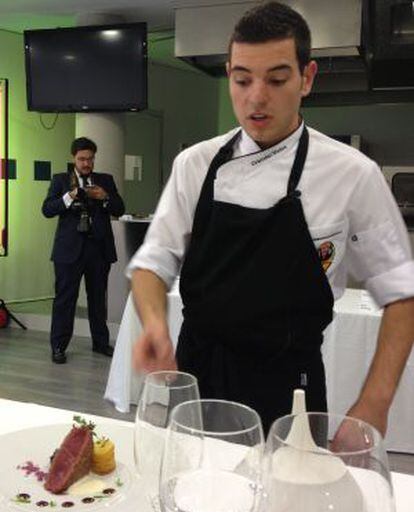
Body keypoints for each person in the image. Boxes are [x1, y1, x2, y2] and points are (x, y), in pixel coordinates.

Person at [128, 2, 414, 434]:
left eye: (277, 79)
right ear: (229, 76)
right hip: (198, 379)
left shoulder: (353, 174)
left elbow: (402, 294)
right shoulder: (196, 163)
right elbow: (154, 262)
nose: (256, 97)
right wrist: (154, 324)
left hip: (289, 388)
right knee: (189, 495)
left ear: (307, 78)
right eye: (242, 80)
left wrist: (374, 402)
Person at [42, 137, 125, 364]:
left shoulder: (104, 180)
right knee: (64, 299)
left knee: (98, 299)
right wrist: (69, 196)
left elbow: (120, 207)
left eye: (90, 159)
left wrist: (104, 196)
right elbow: (47, 209)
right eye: (82, 159)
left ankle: (100, 343)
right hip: (68, 251)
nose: (86, 163)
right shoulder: (61, 180)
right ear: (74, 158)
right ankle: (58, 346)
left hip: (98, 250)